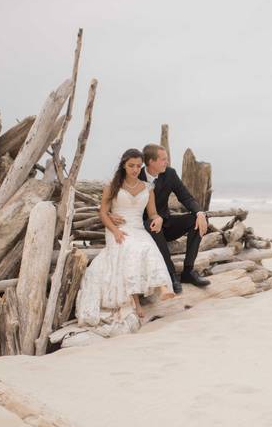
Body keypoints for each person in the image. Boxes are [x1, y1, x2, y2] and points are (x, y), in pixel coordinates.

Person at [75, 149, 174, 337]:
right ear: (123, 165)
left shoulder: (148, 188)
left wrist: (158, 219)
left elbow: (152, 213)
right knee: (128, 248)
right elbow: (103, 213)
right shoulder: (112, 186)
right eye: (131, 165)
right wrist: (115, 230)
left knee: (148, 247)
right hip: (117, 229)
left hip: (137, 228)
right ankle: (134, 301)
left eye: (138, 166)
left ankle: (163, 287)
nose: (135, 169)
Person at [132, 143, 211, 294]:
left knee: (197, 219)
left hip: (166, 224)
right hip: (146, 229)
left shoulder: (170, 174)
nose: (166, 162)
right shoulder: (137, 176)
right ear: (150, 162)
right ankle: (171, 274)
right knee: (152, 224)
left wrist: (200, 213)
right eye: (163, 159)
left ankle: (188, 271)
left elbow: (186, 197)